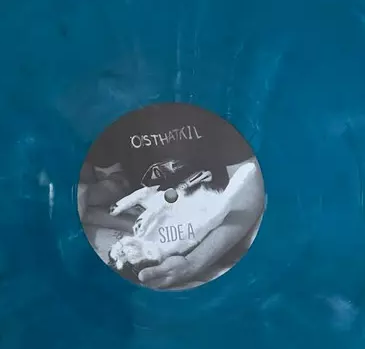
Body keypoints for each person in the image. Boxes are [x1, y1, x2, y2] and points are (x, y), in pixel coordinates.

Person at [78, 103, 265, 289]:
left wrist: (193, 262)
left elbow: (251, 189)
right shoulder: (105, 116)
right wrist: (87, 193)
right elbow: (118, 183)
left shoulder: (216, 106)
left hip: (215, 215)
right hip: (157, 215)